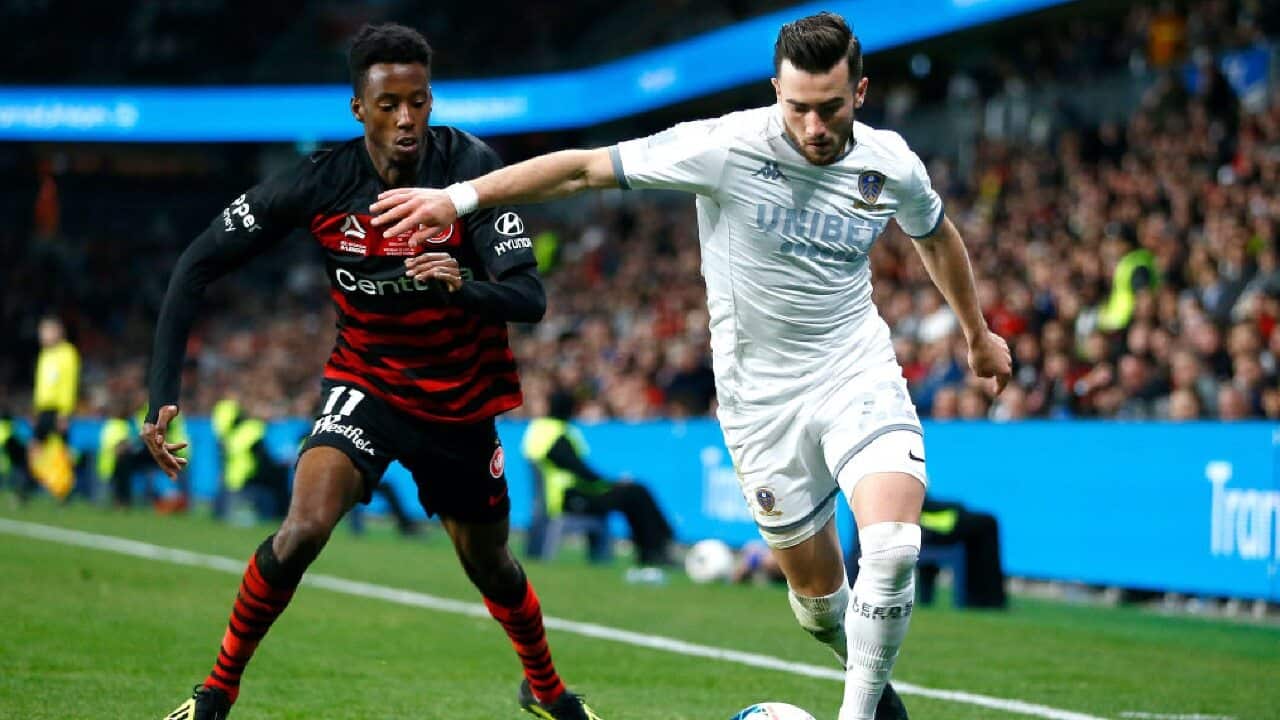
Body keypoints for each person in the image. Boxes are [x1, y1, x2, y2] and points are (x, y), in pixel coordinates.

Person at [370, 13, 1011, 720]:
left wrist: (976, 333)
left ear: (860, 92)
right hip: (758, 405)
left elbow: (936, 233)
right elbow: (584, 167)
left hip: (855, 370)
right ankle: (868, 680)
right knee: (822, 609)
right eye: (797, 107)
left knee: (890, 550)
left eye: (830, 108)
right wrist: (456, 198)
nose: (814, 126)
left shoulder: (891, 162)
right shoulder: (727, 145)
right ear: (776, 92)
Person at [142, 23, 599, 720]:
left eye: (417, 101)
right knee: (302, 530)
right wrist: (161, 396)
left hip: (460, 402)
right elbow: (196, 264)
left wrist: (462, 285)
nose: (406, 118)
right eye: (389, 105)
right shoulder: (321, 180)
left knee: (492, 568)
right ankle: (216, 692)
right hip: (367, 383)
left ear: (431, 100)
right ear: (359, 109)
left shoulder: (471, 171)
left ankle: (545, 690)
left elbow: (529, 297)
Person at [523, 389, 674, 566]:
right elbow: (580, 471)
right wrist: (612, 483)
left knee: (634, 492)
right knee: (635, 493)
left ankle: (652, 549)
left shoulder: (538, 429)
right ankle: (654, 550)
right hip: (570, 498)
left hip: (567, 496)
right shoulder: (557, 433)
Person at [29, 315, 79, 500]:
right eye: (42, 332)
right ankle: (33, 488)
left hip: (58, 410)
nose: (43, 336)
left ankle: (65, 491)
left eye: (47, 331)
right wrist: (36, 409)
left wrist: (65, 413)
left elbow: (68, 384)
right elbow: (41, 385)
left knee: (62, 452)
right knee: (35, 450)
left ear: (58, 331)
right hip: (43, 409)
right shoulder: (45, 355)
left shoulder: (67, 354)